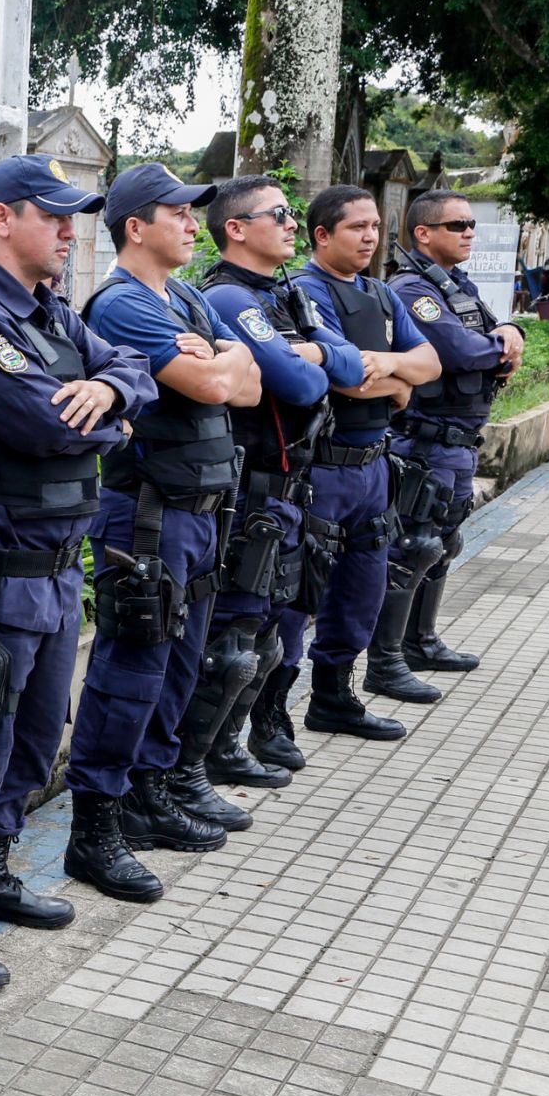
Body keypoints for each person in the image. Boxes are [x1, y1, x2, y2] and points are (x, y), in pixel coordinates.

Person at [0, 156, 156, 980]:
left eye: (71, 217)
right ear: (3, 219)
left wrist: (113, 396)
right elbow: (47, 425)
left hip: (55, 572)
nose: (68, 231)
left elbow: (132, 369)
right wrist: (105, 422)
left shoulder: (50, 314)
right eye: (52, 215)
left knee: (36, 739)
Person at [64, 164, 262, 886]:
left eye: (192, 210)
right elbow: (216, 384)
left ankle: (150, 792)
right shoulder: (121, 304)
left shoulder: (182, 296)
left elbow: (251, 381)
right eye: (175, 211)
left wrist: (226, 357)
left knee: (180, 664)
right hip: (147, 514)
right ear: (135, 225)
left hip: (202, 510)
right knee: (132, 668)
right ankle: (96, 825)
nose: (190, 222)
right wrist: (222, 363)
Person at [187, 177, 362, 787]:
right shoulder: (232, 299)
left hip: (290, 489)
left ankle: (234, 743)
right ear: (235, 228)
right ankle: (202, 761)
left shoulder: (287, 294)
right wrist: (312, 357)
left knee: (268, 628)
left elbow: (351, 361)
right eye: (279, 214)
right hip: (250, 487)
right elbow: (305, 384)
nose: (293, 223)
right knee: (236, 634)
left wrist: (308, 351)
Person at [285, 187, 441, 741]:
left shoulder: (379, 291)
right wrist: (392, 382)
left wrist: (393, 371)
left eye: (376, 226)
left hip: (377, 467)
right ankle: (267, 719)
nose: (371, 237)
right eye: (357, 227)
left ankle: (334, 698)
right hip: (324, 467)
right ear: (322, 235)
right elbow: (347, 379)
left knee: (363, 587)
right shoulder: (306, 291)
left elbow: (430, 362)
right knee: (301, 590)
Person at [375, 191, 526, 692]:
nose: (469, 232)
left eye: (470, 224)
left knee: (445, 541)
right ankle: (386, 661)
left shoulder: (454, 283)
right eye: (457, 224)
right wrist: (498, 348)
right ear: (423, 233)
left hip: (458, 440)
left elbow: (488, 331)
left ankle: (421, 641)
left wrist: (511, 328)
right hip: (424, 440)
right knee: (413, 545)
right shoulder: (411, 286)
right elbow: (456, 349)